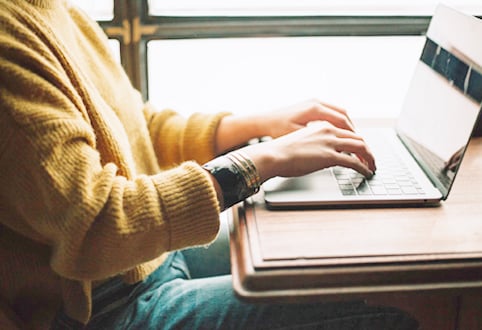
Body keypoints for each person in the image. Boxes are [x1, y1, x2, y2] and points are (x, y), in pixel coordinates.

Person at [0, 1, 418, 329]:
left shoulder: (56, 10)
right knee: (390, 301)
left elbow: (133, 125)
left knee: (348, 252)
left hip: (147, 259)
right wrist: (258, 162)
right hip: (103, 309)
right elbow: (97, 225)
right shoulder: (9, 41)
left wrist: (257, 125)